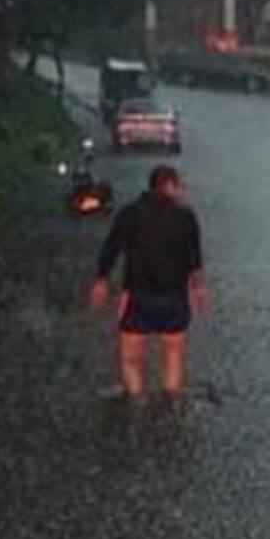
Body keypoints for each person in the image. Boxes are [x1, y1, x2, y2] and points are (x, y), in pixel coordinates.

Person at [90, 165, 207, 404]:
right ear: (168, 185)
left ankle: (137, 399)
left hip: (138, 297)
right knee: (173, 352)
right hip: (174, 298)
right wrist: (198, 288)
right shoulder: (186, 216)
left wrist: (101, 280)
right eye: (179, 186)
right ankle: (170, 398)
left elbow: (111, 248)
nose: (183, 191)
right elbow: (195, 257)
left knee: (131, 356)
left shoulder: (130, 213)